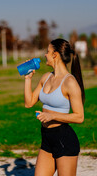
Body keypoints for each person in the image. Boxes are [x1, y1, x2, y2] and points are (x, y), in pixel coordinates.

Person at [24, 38, 85, 176]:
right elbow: (29, 103)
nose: (45, 54)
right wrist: (28, 79)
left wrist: (52, 116)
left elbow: (79, 117)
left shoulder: (70, 82)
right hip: (47, 137)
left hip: (64, 139)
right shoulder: (46, 77)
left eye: (48, 51)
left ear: (55, 54)